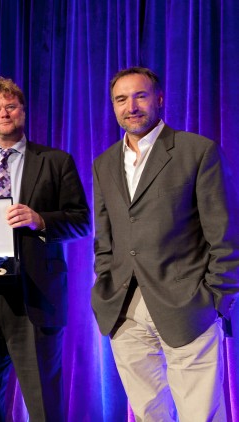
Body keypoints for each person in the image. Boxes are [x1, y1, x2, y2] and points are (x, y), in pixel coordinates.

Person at [92, 66, 239, 421]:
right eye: (121, 99)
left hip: (189, 307)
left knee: (201, 414)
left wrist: (216, 299)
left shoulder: (197, 151)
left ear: (159, 99)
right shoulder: (104, 164)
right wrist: (105, 284)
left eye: (140, 96)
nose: (131, 106)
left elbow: (225, 235)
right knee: (147, 413)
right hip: (125, 310)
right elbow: (105, 238)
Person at [0, 77, 90, 421]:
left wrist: (40, 220)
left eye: (10, 106)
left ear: (23, 111)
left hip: (34, 298)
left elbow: (82, 221)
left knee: (44, 406)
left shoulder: (55, 161)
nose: (4, 113)